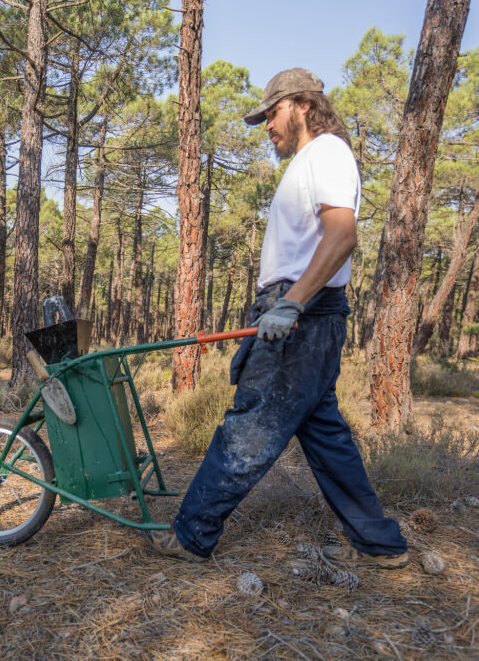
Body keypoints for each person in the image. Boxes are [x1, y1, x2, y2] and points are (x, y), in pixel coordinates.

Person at [145, 68, 408, 568]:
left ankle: (192, 533)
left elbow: (341, 236)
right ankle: (381, 542)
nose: (266, 124)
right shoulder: (311, 159)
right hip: (301, 314)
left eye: (272, 112)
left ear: (303, 105)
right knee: (325, 435)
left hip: (300, 317)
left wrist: (292, 303)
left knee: (249, 429)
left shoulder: (327, 152)